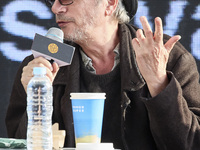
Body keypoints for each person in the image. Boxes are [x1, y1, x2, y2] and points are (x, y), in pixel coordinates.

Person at [5, 0, 200, 149]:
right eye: (54, 0)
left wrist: (159, 83)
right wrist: (36, 98)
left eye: (66, 0)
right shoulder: (40, 65)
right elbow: (19, 143)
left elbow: (190, 143)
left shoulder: (167, 56)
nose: (56, 8)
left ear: (109, 4)